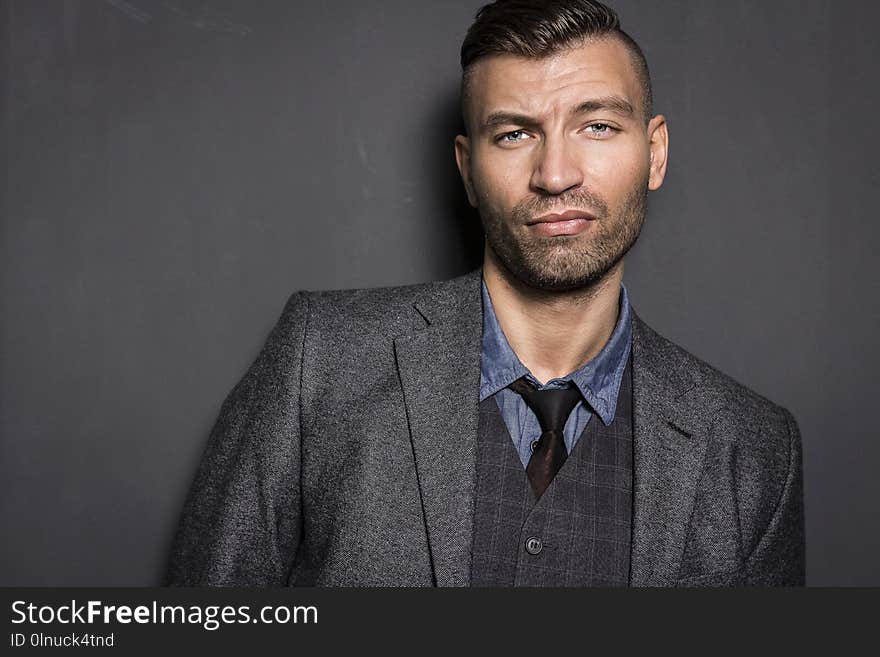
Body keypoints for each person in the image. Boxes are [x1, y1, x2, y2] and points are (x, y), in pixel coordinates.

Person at [165, 0, 805, 587]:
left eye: (599, 126)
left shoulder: (751, 450)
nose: (555, 175)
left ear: (655, 153)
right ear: (468, 170)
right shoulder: (321, 361)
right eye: (514, 134)